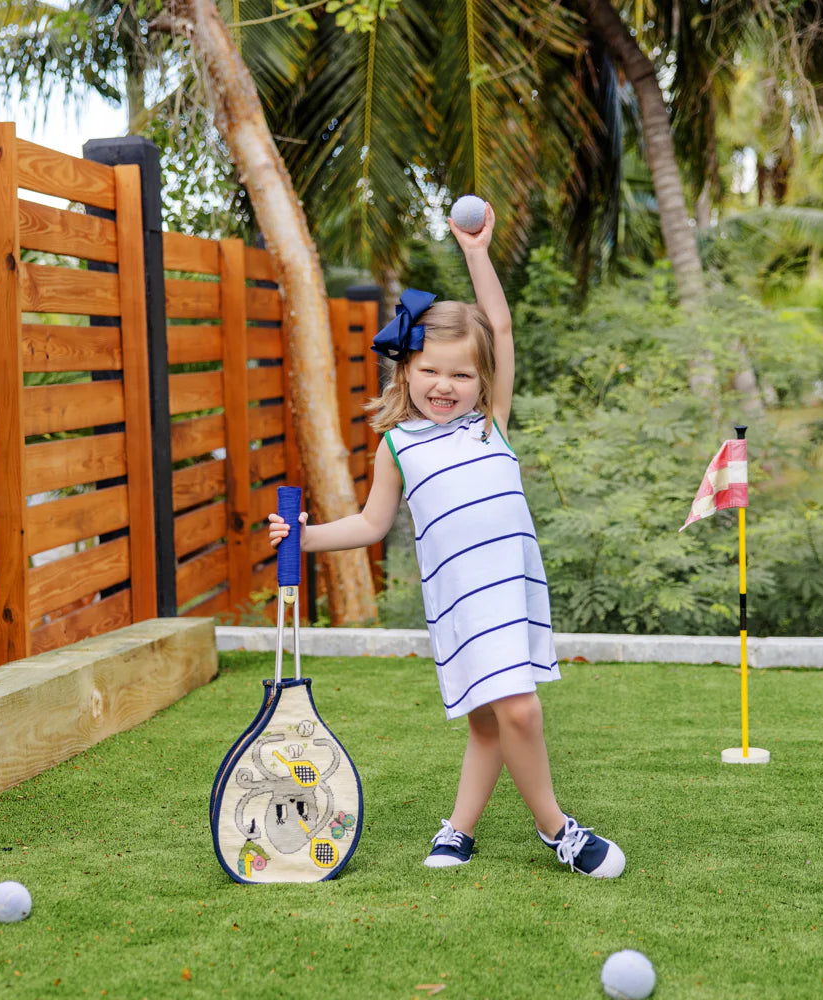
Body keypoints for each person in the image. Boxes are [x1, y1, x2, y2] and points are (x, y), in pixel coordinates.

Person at [267, 205, 625, 878]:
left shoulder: (489, 424)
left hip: (510, 596)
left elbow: (503, 325)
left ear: (483, 382)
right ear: (406, 371)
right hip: (461, 604)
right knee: (496, 717)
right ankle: (553, 830)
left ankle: (503, 830)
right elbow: (371, 525)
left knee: (508, 712)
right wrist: (306, 536)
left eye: (462, 375)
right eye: (431, 371)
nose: (444, 386)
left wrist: (475, 252)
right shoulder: (397, 445)